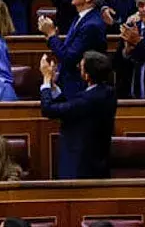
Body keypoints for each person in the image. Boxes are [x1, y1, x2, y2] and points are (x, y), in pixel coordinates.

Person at [40, 50, 117, 179]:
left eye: (80, 67)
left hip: (79, 167)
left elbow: (48, 109)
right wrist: (53, 85)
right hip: (96, 164)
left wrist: (46, 80)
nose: (78, 69)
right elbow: (72, 109)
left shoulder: (89, 99)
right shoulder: (107, 93)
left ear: (87, 76)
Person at [39, 0, 107, 96]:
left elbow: (69, 58)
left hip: (78, 87)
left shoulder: (91, 25)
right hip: (69, 82)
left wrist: (51, 34)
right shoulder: (81, 18)